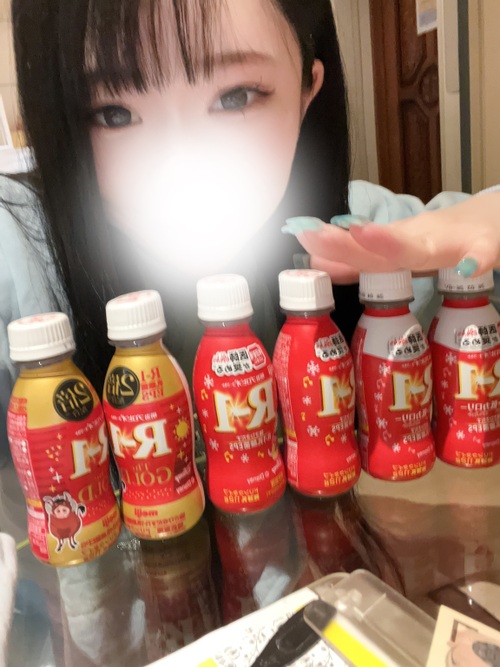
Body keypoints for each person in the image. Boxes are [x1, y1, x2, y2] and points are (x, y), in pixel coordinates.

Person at [1, 2, 499, 446]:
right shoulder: (19, 255)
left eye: (236, 97)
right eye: (114, 114)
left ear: (307, 91)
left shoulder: (353, 235)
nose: (183, 167)